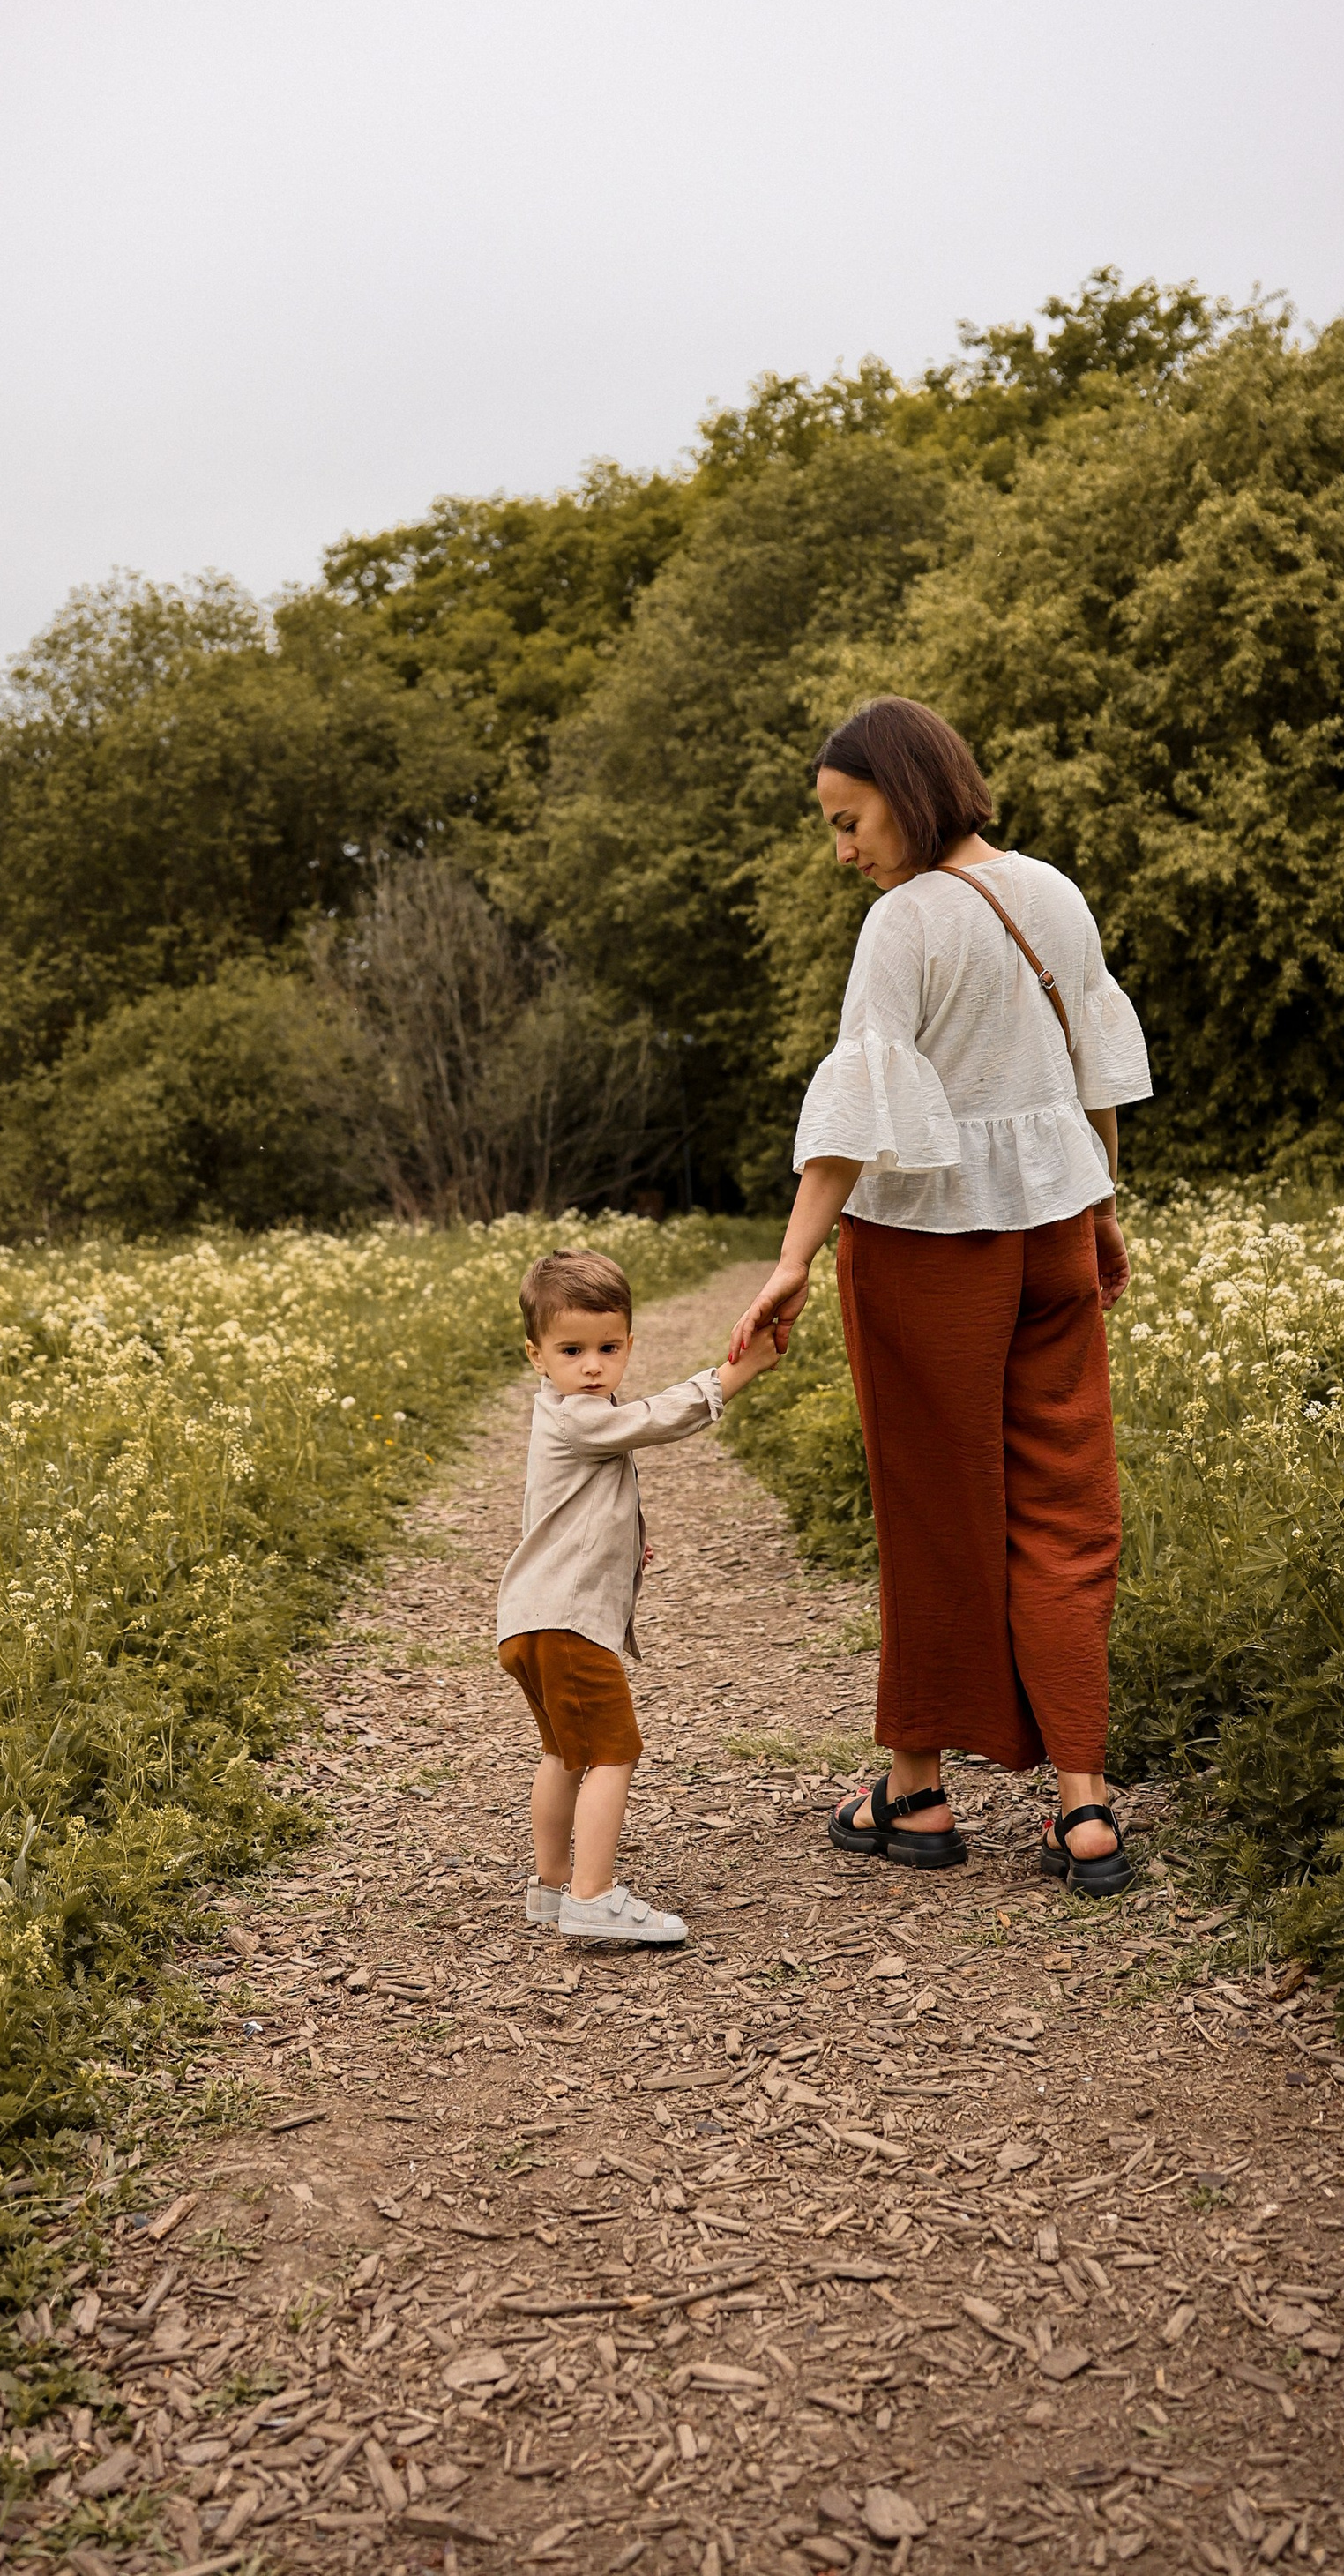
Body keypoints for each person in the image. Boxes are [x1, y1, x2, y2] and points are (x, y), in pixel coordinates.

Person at [728, 696, 1151, 1900]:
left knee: (933, 1506)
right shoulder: (1055, 893)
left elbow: (856, 1113)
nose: (843, 849)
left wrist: (795, 1257)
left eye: (849, 820)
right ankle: (1083, 1807)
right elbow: (1096, 1069)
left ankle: (915, 1790)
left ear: (905, 794)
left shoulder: (904, 925)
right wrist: (1106, 1206)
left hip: (927, 1253)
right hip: (1058, 1231)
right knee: (1069, 1507)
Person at [498, 1247, 778, 1945]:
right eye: (571, 1350)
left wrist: (623, 1546)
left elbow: (565, 1514)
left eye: (607, 1347)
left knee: (565, 1755)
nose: (591, 1366)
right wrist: (733, 1374)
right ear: (536, 1355)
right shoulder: (578, 1417)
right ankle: (592, 1897)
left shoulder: (560, 1420)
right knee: (613, 1754)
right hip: (567, 1627)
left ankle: (552, 1887)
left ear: (628, 1344)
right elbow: (658, 1419)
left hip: (529, 1623)